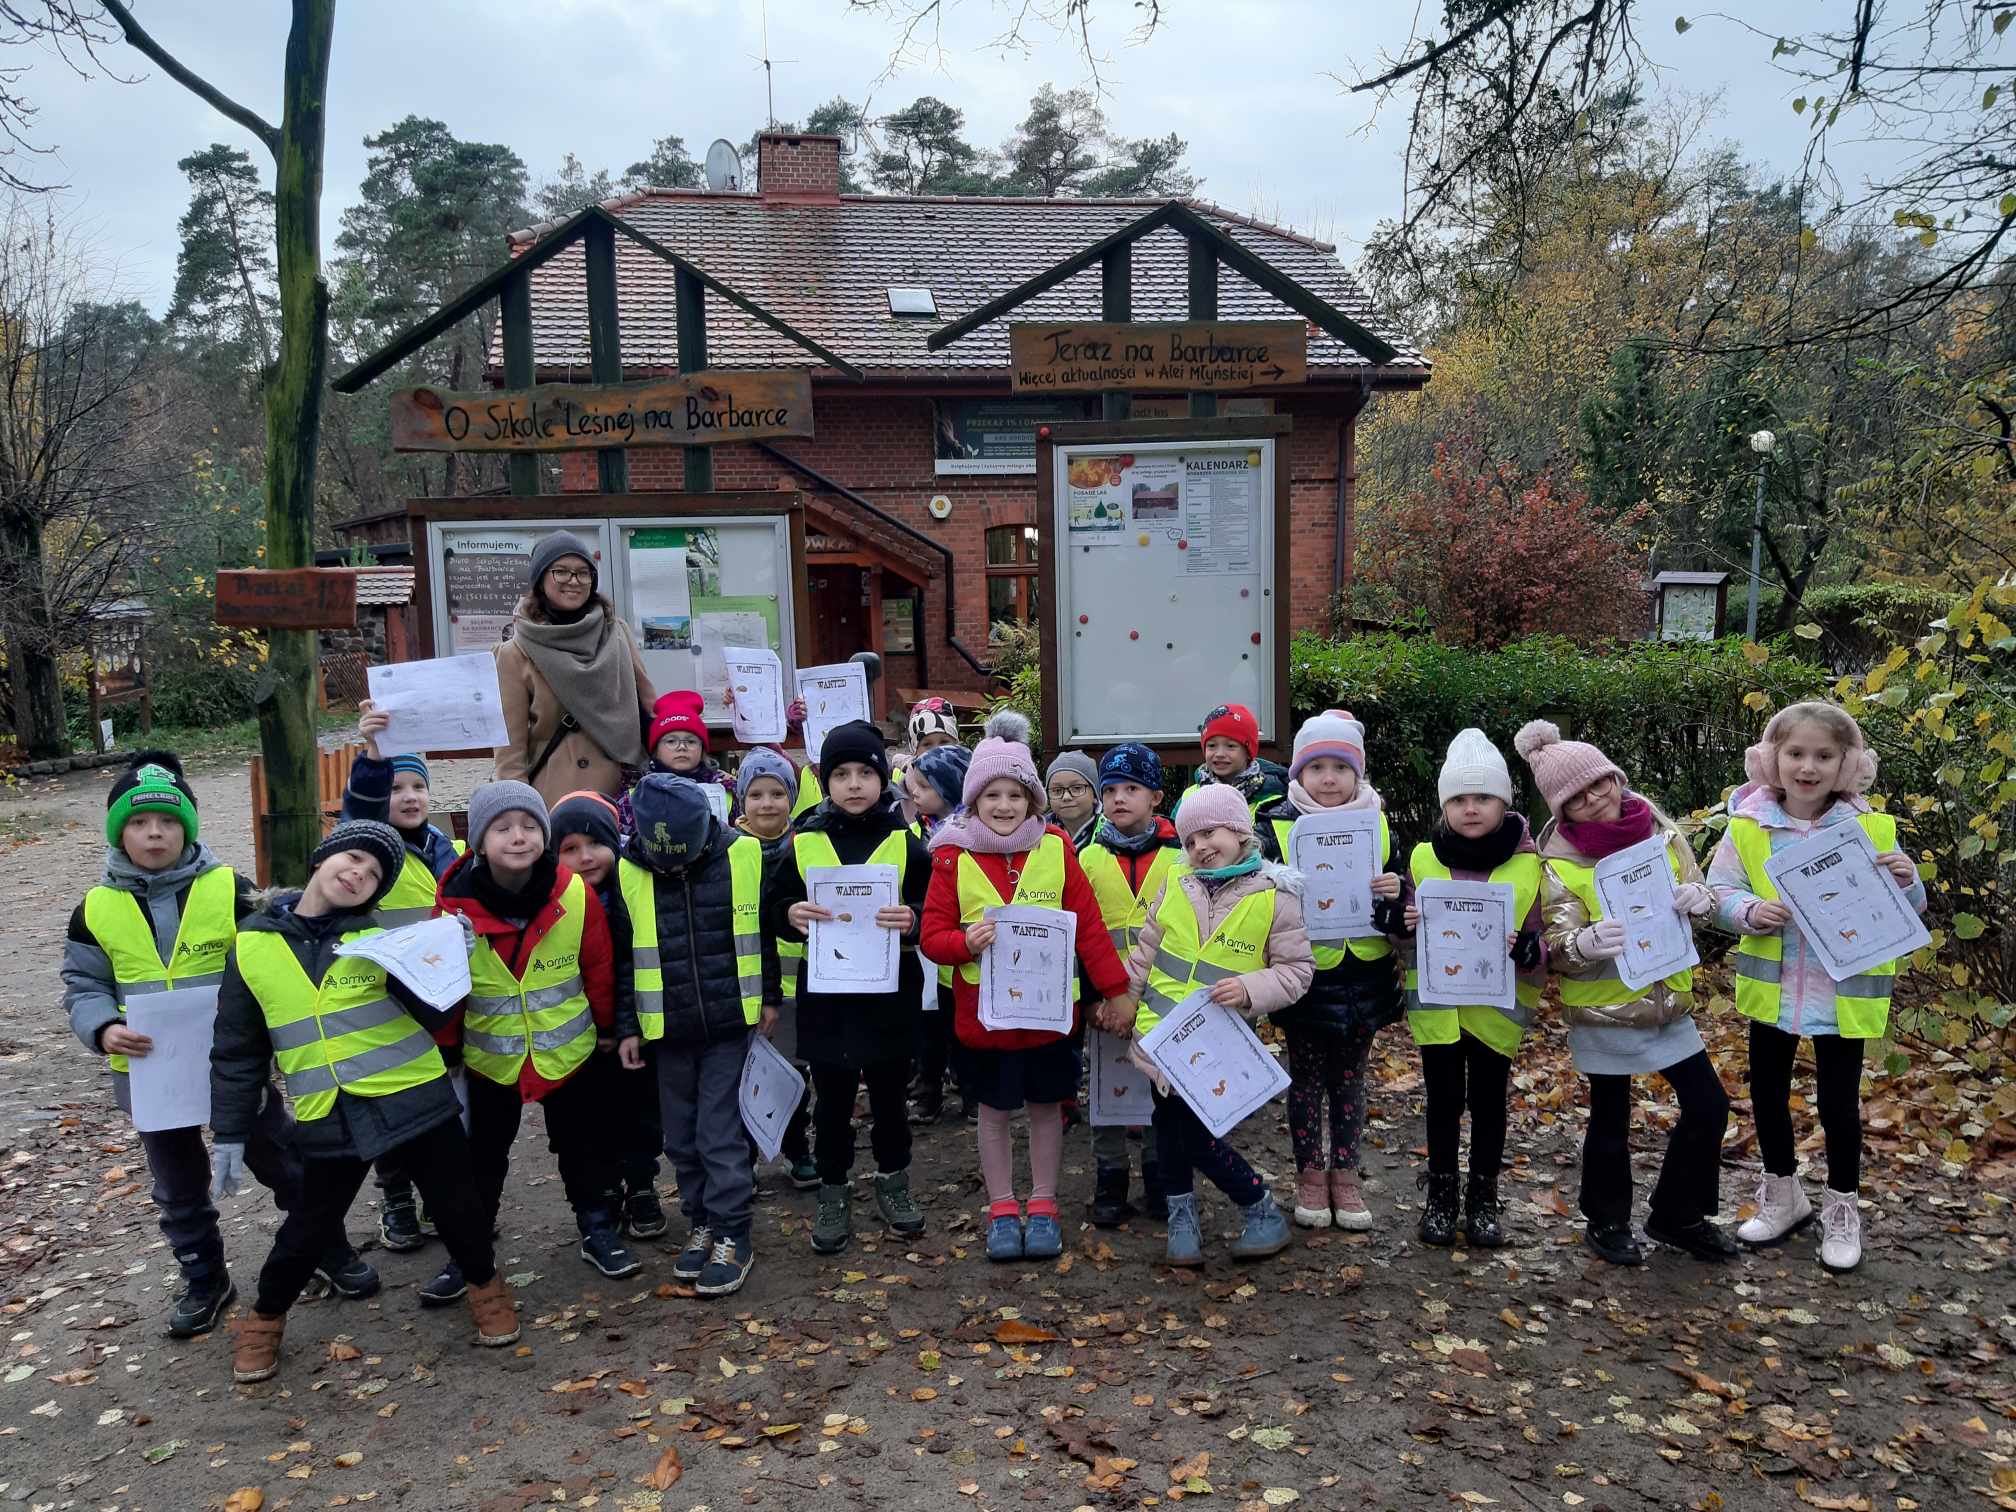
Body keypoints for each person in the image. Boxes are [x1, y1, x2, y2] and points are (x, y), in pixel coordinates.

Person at [61, 752, 372, 1338]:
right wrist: (102, 1027)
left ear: (189, 829)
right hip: (151, 1074)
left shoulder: (230, 889)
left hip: (234, 1067)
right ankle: (204, 1276)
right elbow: (83, 984)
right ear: (118, 832)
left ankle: (322, 1250)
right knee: (178, 1185)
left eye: (170, 822)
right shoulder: (93, 912)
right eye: (138, 822)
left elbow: (278, 935)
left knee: (282, 1160)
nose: (155, 833)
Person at [212, 821, 519, 1383]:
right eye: (352, 858)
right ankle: (265, 1317)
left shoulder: (380, 938)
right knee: (309, 1224)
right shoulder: (251, 945)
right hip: (328, 1108)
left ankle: (486, 1287)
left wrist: (452, 961)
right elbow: (236, 1049)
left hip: (414, 1097)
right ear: (320, 858)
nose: (359, 874)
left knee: (458, 1206)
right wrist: (230, 1131)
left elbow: (436, 1016)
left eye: (375, 874)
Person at [1708, 701, 1926, 1272]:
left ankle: (1842, 1209)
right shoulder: (1747, 826)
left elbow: (1908, 911)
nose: (1808, 767)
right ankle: (1783, 1196)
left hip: (1842, 994)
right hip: (1772, 993)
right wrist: (1749, 911)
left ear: (1847, 763)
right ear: (1771, 759)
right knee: (1768, 1098)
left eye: (1824, 756)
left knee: (1839, 1106)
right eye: (1796, 753)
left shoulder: (1871, 828)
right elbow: (1718, 892)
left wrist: (1909, 880)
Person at [1516, 720, 1735, 1266]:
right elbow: (1557, 947)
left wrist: (1698, 901)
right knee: (1611, 1120)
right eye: (1577, 797)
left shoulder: (1661, 834)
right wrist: (1586, 943)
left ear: (1616, 777)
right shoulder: (1560, 863)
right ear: (1561, 810)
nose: (1596, 800)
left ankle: (1677, 1215)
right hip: (1604, 1010)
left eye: (1601, 784)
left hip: (1669, 1003)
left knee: (1709, 1106)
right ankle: (1607, 1219)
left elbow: (1703, 897)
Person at [919, 721, 1131, 1262]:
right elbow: (932, 937)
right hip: (984, 1022)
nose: (1005, 805)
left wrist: (1115, 990)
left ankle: (1043, 1205)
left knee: (1044, 1108)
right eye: (993, 795)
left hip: (1049, 1017)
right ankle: (1001, 1207)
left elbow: (1088, 928)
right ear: (974, 800)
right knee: (993, 1112)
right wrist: (965, 942)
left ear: (1034, 800)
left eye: (1016, 794)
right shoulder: (951, 856)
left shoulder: (1057, 848)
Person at [428, 781, 640, 1302]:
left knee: (582, 1147)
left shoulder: (572, 891)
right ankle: (470, 1253)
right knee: (482, 1158)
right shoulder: (452, 907)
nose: (518, 837)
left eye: (529, 827)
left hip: (569, 1052)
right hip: (489, 1059)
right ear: (479, 841)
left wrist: (609, 1028)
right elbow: (444, 984)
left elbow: (597, 964)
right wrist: (448, 1046)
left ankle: (596, 1228)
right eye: (502, 829)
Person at [1110, 784, 1313, 1267]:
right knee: (1167, 1131)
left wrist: (1249, 988)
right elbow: (1145, 955)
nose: (1201, 847)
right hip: (1161, 1039)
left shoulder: (1275, 897)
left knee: (1192, 1136)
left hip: (1219, 1045)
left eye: (1211, 833)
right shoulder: (1176, 887)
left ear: (1240, 831)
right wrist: (1124, 1005)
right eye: (1189, 840)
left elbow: (1297, 971)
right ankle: (1184, 1219)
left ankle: (1256, 1204)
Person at [763, 720, 932, 1255]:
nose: (854, 784)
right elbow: (771, 907)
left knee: (888, 1097)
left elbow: (937, 910)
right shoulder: (804, 841)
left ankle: (894, 1180)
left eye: (866, 772)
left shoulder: (906, 842)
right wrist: (789, 911)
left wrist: (916, 918)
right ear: (825, 781)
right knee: (832, 1100)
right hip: (827, 997)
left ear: (884, 779)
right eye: (841, 774)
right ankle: (834, 1191)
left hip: (890, 996)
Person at [612, 776, 773, 1296]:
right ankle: (701, 1221)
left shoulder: (743, 855)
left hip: (729, 1026)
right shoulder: (630, 871)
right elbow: (622, 957)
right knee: (680, 1139)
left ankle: (732, 1233)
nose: (674, 866)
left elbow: (763, 930)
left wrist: (768, 995)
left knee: (718, 1136)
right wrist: (628, 1027)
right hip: (667, 1032)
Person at [1254, 712, 1405, 1232]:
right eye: (1315, 766)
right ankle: (1309, 1174)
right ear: (1298, 773)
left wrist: (1396, 895)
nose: (1328, 778)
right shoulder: (1275, 824)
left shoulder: (1380, 822)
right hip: (1304, 975)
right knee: (1305, 1079)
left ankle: (1345, 1172)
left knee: (1350, 1080)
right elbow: (1252, 895)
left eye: (1340, 767)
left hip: (1363, 972)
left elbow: (1401, 906)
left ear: (1357, 774)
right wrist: (1274, 883)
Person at [1397, 729, 1548, 1249]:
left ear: (1504, 801)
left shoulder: (1529, 864)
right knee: (1441, 1104)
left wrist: (1534, 950)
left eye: (1482, 797)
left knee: (1488, 1106)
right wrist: (1399, 920)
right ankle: (1440, 1197)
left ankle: (1482, 1200)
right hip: (1438, 1010)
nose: (1470, 808)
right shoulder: (1422, 858)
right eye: (1458, 799)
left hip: (1495, 1014)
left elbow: (1543, 934)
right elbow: (1404, 931)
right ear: (1444, 806)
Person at [344, 706, 467, 1254]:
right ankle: (395, 1196)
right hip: (385, 998)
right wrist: (373, 759)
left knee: (441, 1103)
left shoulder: (451, 849)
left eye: (418, 785)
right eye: (397, 788)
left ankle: (436, 1196)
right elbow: (358, 812)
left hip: (443, 997)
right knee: (392, 1104)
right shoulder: (367, 849)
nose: (410, 797)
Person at [551, 790, 665, 1239]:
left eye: (595, 844)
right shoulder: (553, 904)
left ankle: (641, 1186)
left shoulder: (629, 897)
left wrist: (622, 1027)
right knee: (586, 1122)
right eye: (569, 849)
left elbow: (631, 966)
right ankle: (602, 1191)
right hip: (574, 1037)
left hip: (630, 1032)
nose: (585, 858)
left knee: (638, 1114)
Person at [1075, 742, 1177, 1226]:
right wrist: (1094, 1002)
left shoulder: (1182, 858)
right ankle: (1110, 1178)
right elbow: (1077, 936)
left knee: (1161, 1090)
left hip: (1162, 1002)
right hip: (1105, 1007)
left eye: (1131, 788)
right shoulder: (1086, 858)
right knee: (1107, 1093)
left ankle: (1160, 1178)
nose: (1119, 798)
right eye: (1110, 789)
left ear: (1155, 796)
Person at [494, 530, 655, 807]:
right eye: (561, 572)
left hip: (624, 795)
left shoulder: (616, 632)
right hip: (558, 798)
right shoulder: (515, 653)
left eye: (583, 573)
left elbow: (650, 708)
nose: (574, 581)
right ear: (540, 579)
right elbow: (510, 752)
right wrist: (519, 809)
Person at [734, 748, 816, 1187]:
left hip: (794, 981)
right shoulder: (727, 850)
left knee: (793, 1071)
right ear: (741, 800)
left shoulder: (805, 845)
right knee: (745, 1072)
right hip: (743, 985)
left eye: (777, 793)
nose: (767, 804)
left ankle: (797, 1147)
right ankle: (744, 1153)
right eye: (756, 794)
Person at [903, 742, 974, 1124]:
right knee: (928, 1024)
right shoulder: (914, 831)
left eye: (925, 787)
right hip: (923, 942)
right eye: (913, 786)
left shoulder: (970, 834)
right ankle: (927, 1091)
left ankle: (970, 1090)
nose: (915, 794)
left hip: (958, 945)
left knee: (960, 1021)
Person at [619, 690, 739, 830]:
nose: (682, 747)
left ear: (702, 749)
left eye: (691, 741)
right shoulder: (633, 796)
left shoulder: (727, 790)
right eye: (671, 741)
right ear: (656, 750)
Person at [1173, 703, 1287, 819]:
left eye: (1231, 746)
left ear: (1248, 752)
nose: (1220, 754)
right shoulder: (1189, 797)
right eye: (1212, 745)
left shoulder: (1273, 800)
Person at [1044, 751, 1101, 852]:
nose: (1066, 797)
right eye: (1057, 790)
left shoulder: (1112, 833)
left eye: (1077, 788)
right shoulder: (1038, 834)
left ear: (1095, 794)